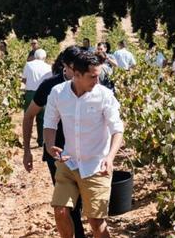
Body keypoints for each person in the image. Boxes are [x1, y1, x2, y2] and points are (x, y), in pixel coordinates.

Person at [43, 50, 124, 238]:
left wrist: (110, 158)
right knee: (60, 211)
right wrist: (49, 145)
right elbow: (49, 123)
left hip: (96, 166)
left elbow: (117, 129)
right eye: (92, 77)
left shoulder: (104, 95)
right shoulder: (58, 93)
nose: (97, 81)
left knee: (97, 222)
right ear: (76, 74)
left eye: (98, 76)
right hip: (69, 163)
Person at [22, 46, 87, 238]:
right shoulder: (50, 86)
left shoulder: (91, 84)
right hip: (56, 153)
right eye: (76, 67)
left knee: (82, 202)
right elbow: (29, 116)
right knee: (68, 205)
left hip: (86, 152)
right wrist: (27, 150)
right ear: (65, 66)